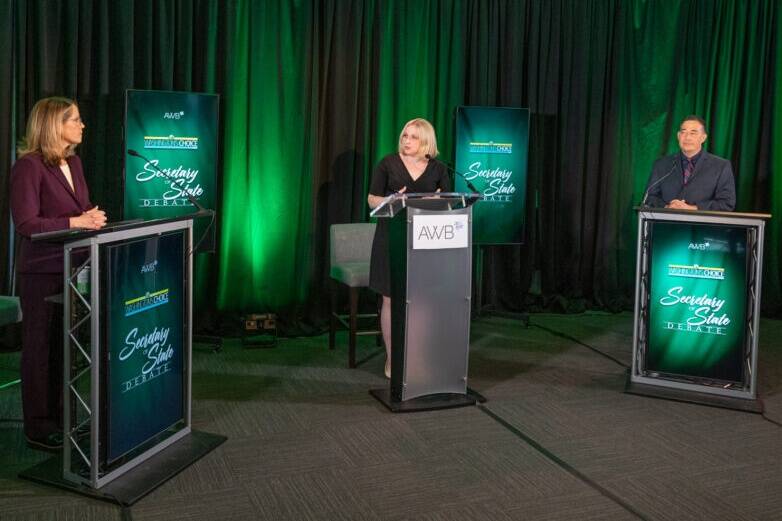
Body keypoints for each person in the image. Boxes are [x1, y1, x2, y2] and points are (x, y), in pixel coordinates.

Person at [10, 97, 107, 450]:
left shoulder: (75, 163)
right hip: (41, 271)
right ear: (55, 125)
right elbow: (26, 224)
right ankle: (37, 426)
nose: (82, 125)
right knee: (40, 348)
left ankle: (62, 418)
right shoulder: (28, 167)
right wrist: (76, 222)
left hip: (73, 267)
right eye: (76, 120)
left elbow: (78, 209)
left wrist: (90, 219)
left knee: (65, 348)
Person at [367, 118, 450, 378]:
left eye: (413, 136)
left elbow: (449, 202)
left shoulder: (439, 168)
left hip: (425, 241)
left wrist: (435, 199)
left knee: (422, 301)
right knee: (391, 299)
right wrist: (391, 199)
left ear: (426, 140)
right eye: (404, 135)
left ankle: (419, 356)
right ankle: (393, 359)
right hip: (390, 238)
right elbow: (371, 199)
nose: (406, 140)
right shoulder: (387, 163)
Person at [644, 115, 736, 211]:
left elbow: (727, 203)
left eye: (693, 133)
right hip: (666, 224)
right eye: (683, 132)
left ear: (703, 138)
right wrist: (667, 207)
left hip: (701, 225)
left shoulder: (721, 166)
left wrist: (692, 208)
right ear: (678, 136)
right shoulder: (661, 164)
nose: (687, 137)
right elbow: (649, 197)